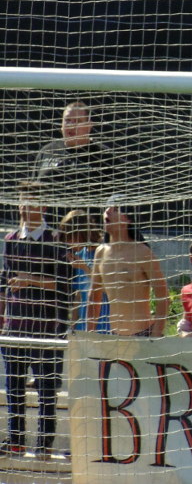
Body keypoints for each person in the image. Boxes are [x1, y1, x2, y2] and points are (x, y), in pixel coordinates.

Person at [0, 182, 74, 459]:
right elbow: (5, 280)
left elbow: (66, 284)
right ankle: (15, 439)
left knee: (46, 390)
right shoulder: (10, 240)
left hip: (47, 329)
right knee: (14, 389)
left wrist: (31, 280)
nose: (23, 207)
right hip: (15, 327)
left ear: (42, 207)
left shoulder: (55, 240)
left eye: (29, 201)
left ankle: (44, 444)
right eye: (21, 201)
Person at [91, 198, 169, 337]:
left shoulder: (142, 252)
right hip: (114, 336)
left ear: (128, 219)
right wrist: (89, 333)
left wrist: (156, 333)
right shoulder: (100, 252)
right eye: (107, 207)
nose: (108, 211)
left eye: (115, 209)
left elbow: (162, 296)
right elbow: (94, 296)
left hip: (143, 335)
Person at [34, 101, 115, 213]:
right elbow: (31, 194)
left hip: (86, 223)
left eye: (78, 121)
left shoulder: (104, 156)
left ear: (89, 126)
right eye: (67, 120)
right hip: (48, 223)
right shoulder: (46, 151)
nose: (71, 125)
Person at [58, 209, 110, 333]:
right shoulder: (81, 254)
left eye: (69, 238)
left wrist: (85, 267)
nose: (68, 243)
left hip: (104, 326)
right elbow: (79, 294)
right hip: (83, 327)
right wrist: (73, 325)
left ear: (81, 233)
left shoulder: (104, 252)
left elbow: (109, 289)